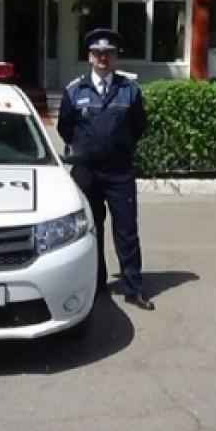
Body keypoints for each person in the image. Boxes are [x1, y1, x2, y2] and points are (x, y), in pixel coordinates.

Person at [57, 28, 153, 310]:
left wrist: (117, 148)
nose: (103, 58)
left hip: (119, 172)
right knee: (90, 229)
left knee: (127, 231)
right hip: (86, 172)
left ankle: (133, 288)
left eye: (108, 53)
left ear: (115, 57)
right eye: (98, 53)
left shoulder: (129, 90)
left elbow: (138, 126)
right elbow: (65, 128)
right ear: (89, 57)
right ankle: (96, 283)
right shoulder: (75, 90)